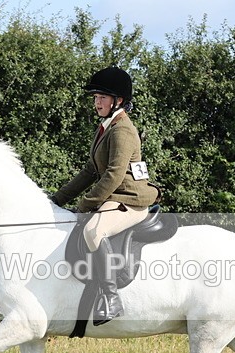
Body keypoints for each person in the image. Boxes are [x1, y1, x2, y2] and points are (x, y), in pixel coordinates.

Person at [50, 66, 159, 326]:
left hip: (130, 199)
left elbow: (113, 175)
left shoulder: (121, 130)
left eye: (102, 97)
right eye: (95, 97)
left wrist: (85, 205)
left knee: (93, 232)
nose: (96, 102)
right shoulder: (106, 127)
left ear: (118, 101)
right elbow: (91, 171)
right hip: (116, 195)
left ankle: (111, 298)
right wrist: (57, 199)